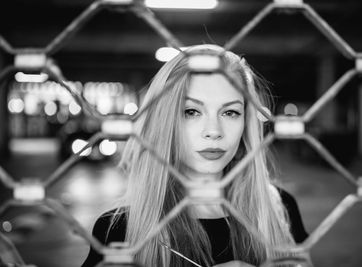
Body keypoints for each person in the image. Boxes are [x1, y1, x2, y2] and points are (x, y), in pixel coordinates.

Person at [81, 44, 307, 267]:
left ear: (245, 122)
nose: (214, 131)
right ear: (164, 120)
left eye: (230, 112)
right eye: (191, 111)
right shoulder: (120, 231)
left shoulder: (279, 209)